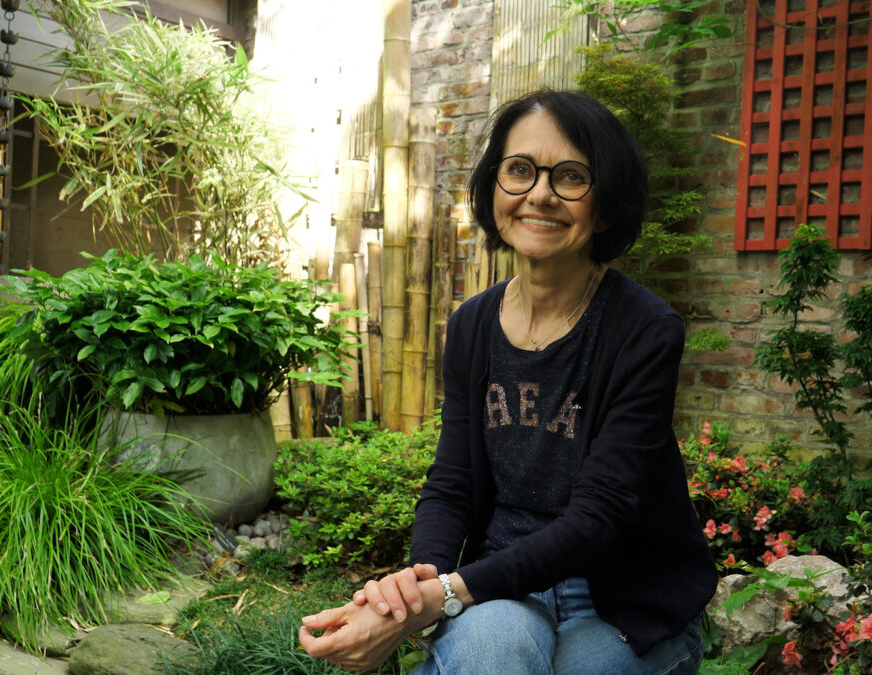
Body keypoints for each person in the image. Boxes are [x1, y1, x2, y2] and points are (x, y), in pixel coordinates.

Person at [299, 89, 718, 674]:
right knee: (490, 659)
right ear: (495, 189)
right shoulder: (472, 325)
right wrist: (421, 582)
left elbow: (599, 517)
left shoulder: (644, 330)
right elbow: (453, 483)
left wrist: (438, 599)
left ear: (604, 206)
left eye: (570, 177)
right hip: (503, 581)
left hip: (621, 597)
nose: (540, 194)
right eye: (520, 170)